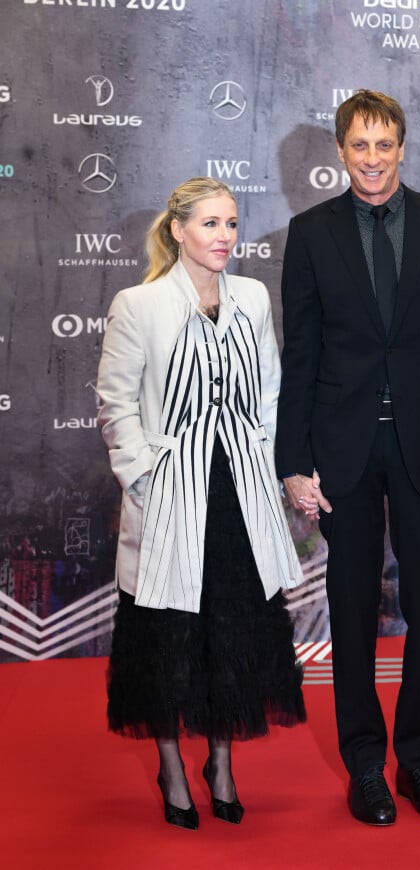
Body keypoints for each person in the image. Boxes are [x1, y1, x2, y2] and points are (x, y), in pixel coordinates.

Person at [275, 90, 420, 826]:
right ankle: (365, 765)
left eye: (384, 145)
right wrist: (294, 461)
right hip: (343, 451)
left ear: (402, 148)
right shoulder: (309, 234)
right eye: (358, 146)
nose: (371, 159)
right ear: (341, 152)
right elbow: (299, 357)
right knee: (352, 607)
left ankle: (418, 763)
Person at [97, 176, 306, 831]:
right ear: (178, 230)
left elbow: (270, 394)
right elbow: (116, 403)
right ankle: (170, 763)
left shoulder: (252, 295)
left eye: (232, 224)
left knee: (233, 631)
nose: (224, 237)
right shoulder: (141, 304)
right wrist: (143, 479)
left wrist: (275, 471)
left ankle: (220, 761)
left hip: (241, 497)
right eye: (210, 224)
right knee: (168, 639)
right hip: (170, 498)